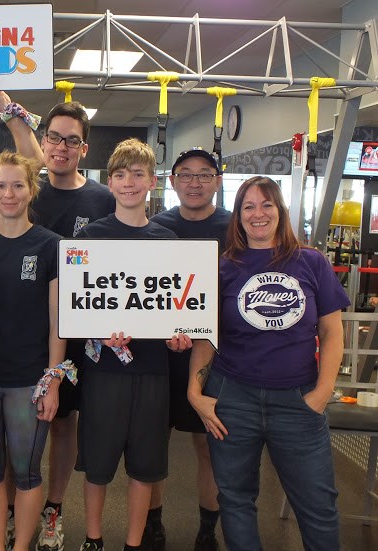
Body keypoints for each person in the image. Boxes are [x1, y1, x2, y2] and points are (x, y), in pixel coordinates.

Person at [0, 82, 115, 551]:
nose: (60, 147)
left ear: (84, 146)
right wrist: (6, 109)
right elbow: (25, 154)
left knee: (61, 424)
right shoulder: (28, 188)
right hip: (17, 334)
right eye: (53, 138)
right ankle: (12, 511)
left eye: (71, 140)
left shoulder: (101, 198)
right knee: (2, 426)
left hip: (74, 336)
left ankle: (52, 509)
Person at [187, 176, 350, 551]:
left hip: (298, 401)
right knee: (236, 500)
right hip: (232, 400)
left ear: (280, 211)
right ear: (238, 216)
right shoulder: (222, 267)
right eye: (248, 206)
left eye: (266, 205)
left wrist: (321, 394)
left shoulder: (311, 262)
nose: (258, 213)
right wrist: (195, 391)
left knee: (318, 505)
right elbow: (206, 336)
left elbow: (331, 333)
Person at [75, 138, 191, 551]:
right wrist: (94, 331)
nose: (129, 183)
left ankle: (134, 543)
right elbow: (76, 309)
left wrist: (182, 337)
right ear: (110, 182)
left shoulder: (168, 241)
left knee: (145, 467)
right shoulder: (90, 238)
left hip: (153, 369)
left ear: (152, 182)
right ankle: (92, 539)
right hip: (104, 371)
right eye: (121, 175)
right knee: (98, 466)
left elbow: (179, 309)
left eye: (137, 174)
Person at [0, 151, 67, 551]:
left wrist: (53, 380)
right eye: (1, 185)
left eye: (17, 185)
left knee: (25, 472)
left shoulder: (51, 245)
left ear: (30, 190)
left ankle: (21, 546)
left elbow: (60, 321)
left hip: (30, 378)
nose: (9, 193)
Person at [147, 148, 231, 551]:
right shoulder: (156, 226)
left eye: (204, 175)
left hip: (216, 355)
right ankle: (153, 523)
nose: (195, 182)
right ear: (173, 181)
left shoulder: (237, 227)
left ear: (217, 180)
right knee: (152, 443)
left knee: (208, 445)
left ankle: (206, 530)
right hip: (160, 355)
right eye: (186, 175)